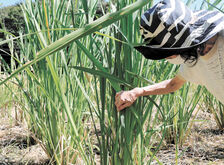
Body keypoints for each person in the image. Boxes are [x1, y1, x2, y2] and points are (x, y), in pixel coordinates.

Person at [115, 0, 224, 111]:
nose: (165, 58)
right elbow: (173, 85)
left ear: (176, 50)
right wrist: (137, 92)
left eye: (164, 54)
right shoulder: (193, 59)